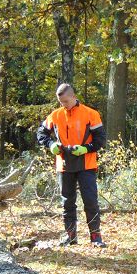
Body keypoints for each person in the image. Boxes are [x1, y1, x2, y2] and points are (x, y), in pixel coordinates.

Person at [36, 83, 108, 247]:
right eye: (61, 102)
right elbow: (41, 133)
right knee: (67, 202)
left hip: (86, 164)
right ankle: (70, 236)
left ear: (74, 97)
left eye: (66, 102)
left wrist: (86, 148)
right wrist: (51, 145)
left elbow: (100, 140)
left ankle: (96, 237)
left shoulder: (91, 114)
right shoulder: (55, 115)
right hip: (64, 164)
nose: (64, 105)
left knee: (90, 201)